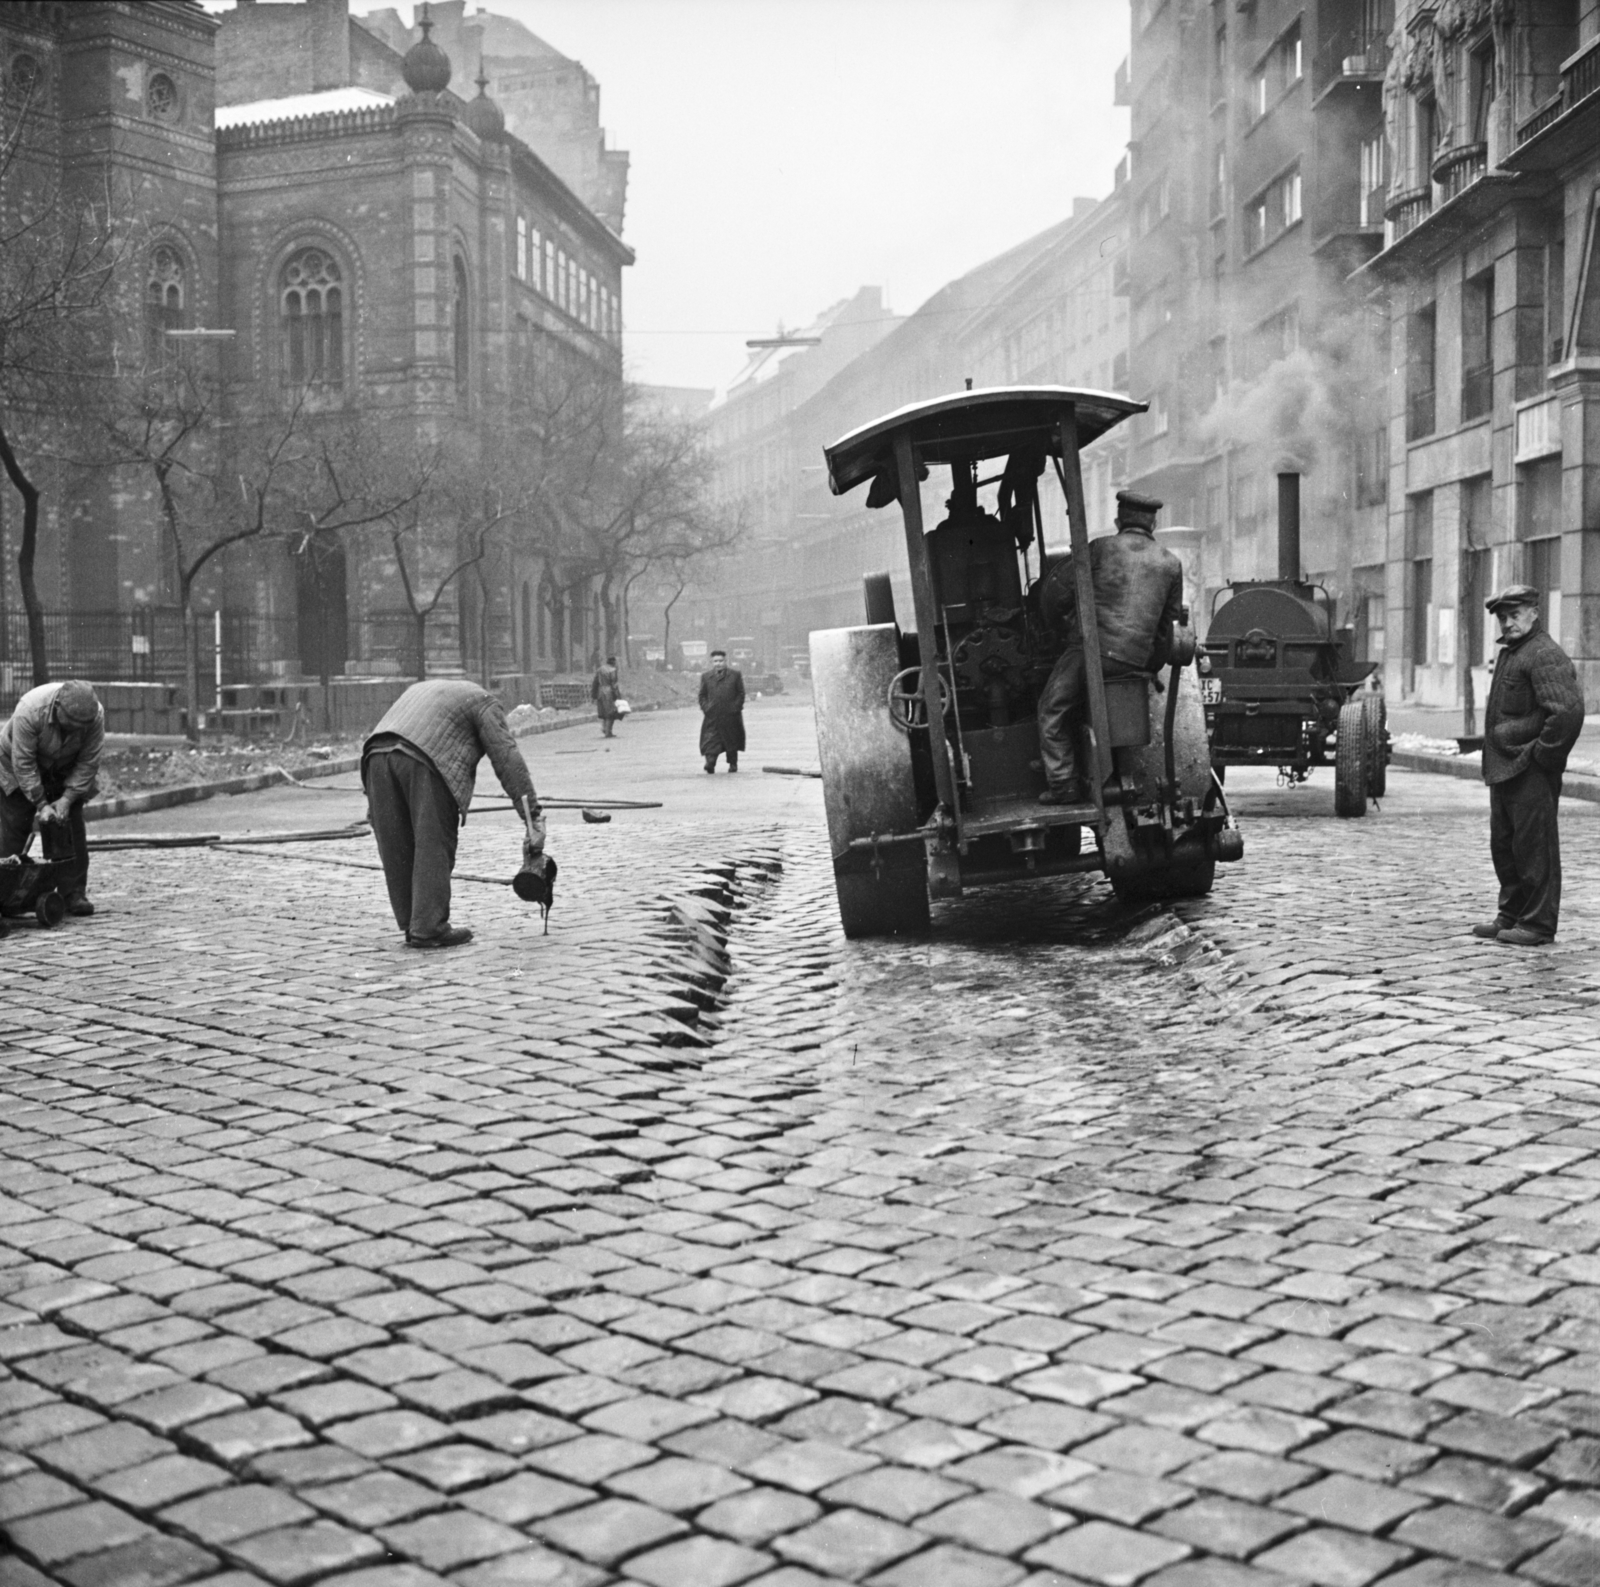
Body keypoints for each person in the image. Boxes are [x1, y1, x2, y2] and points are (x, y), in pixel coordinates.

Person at [362, 679, 546, 949]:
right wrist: (532, 816)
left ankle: (413, 923)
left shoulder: (427, 689)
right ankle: (428, 927)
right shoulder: (485, 703)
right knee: (434, 842)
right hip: (425, 759)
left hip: (375, 755)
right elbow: (506, 757)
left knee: (396, 843)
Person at [1035, 490, 1183, 803]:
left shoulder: (1099, 548)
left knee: (1051, 710)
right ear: (1153, 524)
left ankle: (1063, 786)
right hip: (1133, 661)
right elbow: (1164, 632)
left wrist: (1065, 630)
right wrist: (1149, 667)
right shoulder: (1171, 563)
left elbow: (1056, 596)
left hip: (1091, 654)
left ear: (1118, 520)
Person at [1473, 585, 1584, 947]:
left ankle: (1537, 924)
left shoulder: (1543, 654)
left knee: (1535, 849)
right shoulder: (1513, 652)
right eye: (1503, 617)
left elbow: (1566, 713)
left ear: (1535, 613)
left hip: (1529, 767)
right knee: (1505, 846)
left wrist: (1543, 758)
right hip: (1505, 765)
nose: (1508, 622)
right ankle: (1511, 914)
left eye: (1515, 614)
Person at [0, 679, 103, 918]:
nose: (77, 729)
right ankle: (5, 893)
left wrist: (67, 799)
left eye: (82, 726)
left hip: (62, 769)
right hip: (15, 766)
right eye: (72, 723)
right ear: (57, 707)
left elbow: (89, 761)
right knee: (15, 825)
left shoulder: (95, 717)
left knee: (70, 825)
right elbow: (23, 764)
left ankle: (73, 893)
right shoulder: (30, 710)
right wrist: (41, 804)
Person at [699, 648, 745, 774]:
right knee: (711, 741)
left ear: (726, 661)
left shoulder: (735, 675)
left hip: (731, 715)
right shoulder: (706, 677)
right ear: (711, 662)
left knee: (731, 741)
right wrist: (706, 708)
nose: (718, 663)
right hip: (712, 715)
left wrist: (735, 707)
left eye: (720, 661)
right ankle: (710, 763)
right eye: (715, 661)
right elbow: (702, 695)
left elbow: (741, 693)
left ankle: (733, 763)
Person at [591, 655, 620, 738]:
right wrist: (617, 696)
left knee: (604, 712)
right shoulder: (613, 670)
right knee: (611, 712)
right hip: (609, 692)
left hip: (600, 692)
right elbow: (614, 685)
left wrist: (593, 695)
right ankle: (608, 731)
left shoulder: (600, 669)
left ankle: (605, 728)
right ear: (614, 662)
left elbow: (595, 683)